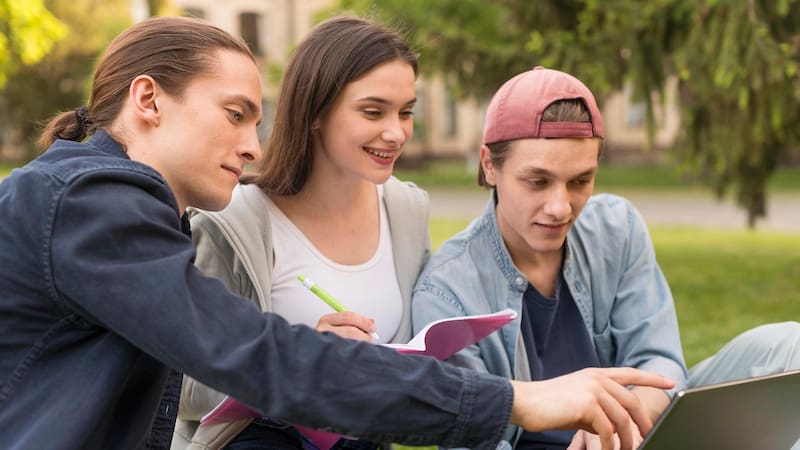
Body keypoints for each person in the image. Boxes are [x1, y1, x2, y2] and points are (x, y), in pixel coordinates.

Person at [0, 16, 676, 450]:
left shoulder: (114, 207)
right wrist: (519, 399)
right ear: (148, 100)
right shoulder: (88, 206)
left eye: (257, 122)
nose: (253, 146)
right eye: (235, 115)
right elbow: (258, 357)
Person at [411, 66, 800, 450]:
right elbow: (473, 438)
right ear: (489, 165)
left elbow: (659, 363)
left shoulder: (617, 228)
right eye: (537, 182)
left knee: (789, 346)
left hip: (639, 435)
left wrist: (613, 428)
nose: (561, 207)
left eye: (580, 181)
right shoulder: (446, 292)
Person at [173, 16, 429, 450]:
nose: (396, 132)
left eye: (406, 112)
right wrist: (304, 358)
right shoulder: (234, 222)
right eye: (373, 111)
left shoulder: (408, 209)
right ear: (315, 112)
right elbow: (181, 387)